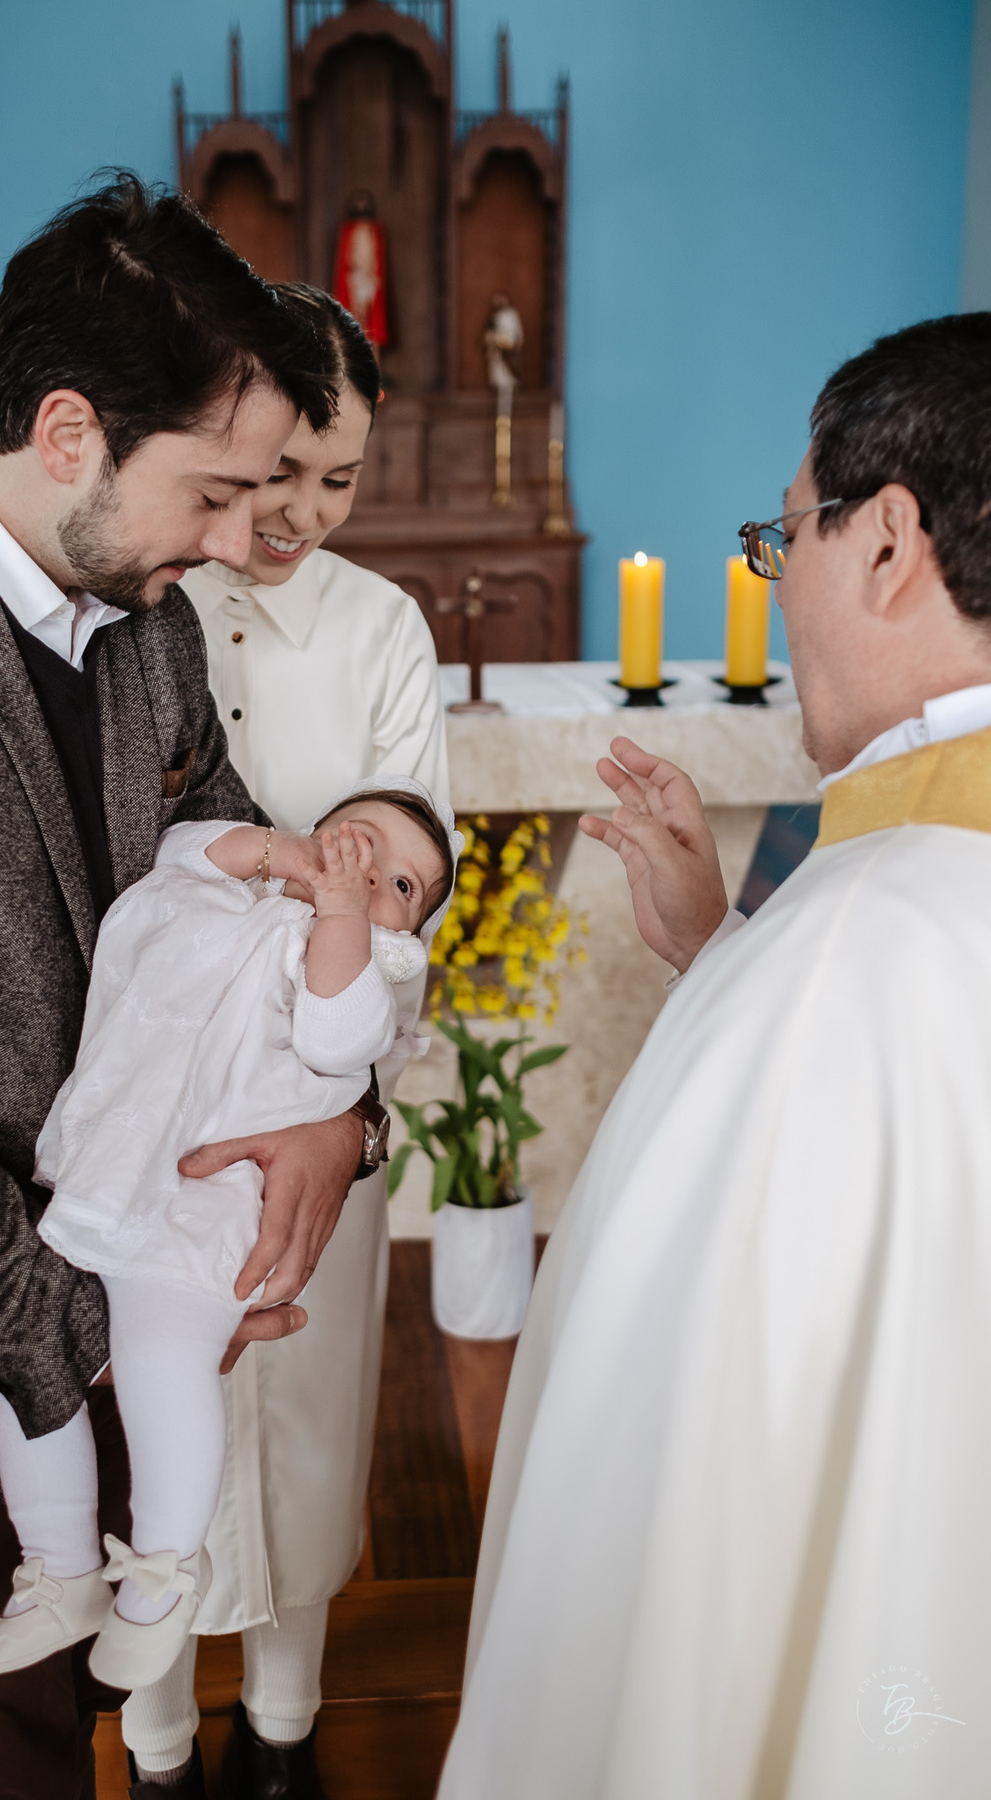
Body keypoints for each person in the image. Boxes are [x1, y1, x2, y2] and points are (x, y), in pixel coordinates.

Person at [0, 173, 393, 1800]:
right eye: (214, 494)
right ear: (69, 433)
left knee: (90, 1724)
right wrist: (74, 1324)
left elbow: (246, 879)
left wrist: (339, 1114)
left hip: (128, 1291)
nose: (239, 543)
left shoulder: (153, 610)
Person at [439, 311, 991, 1800]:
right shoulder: (844, 943)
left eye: (783, 536)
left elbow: (678, 1520)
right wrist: (725, 954)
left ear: (889, 545)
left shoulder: (838, 964)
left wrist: (752, 982)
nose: (775, 579)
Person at [120, 286, 447, 1799]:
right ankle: (157, 1747)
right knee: (148, 1426)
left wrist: (343, 1105)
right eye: (280, 470)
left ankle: (288, 1733)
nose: (302, 511)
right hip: (155, 1110)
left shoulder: (382, 630)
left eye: (341, 479)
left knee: (306, 1430)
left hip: (325, 1100)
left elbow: (419, 893)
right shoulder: (142, 602)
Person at [0, 783, 457, 1695]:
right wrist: (276, 853)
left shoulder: (346, 965)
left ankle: (161, 1577)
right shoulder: (220, 894)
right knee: (22, 1352)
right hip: (109, 1176)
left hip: (205, 1212)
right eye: (358, 840)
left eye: (402, 885)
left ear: (407, 932)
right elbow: (182, 849)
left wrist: (342, 912)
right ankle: (57, 1565)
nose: (369, 870)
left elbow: (340, 1041)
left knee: (163, 1363)